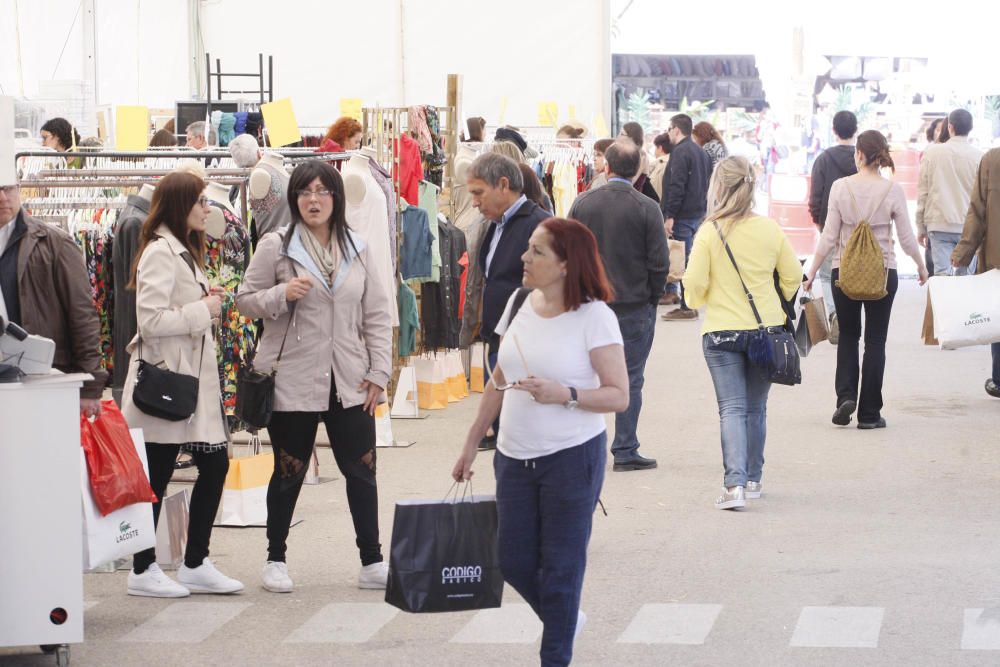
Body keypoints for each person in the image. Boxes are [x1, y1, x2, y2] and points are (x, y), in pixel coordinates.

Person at [452, 218, 628, 667]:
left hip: (571, 459)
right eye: (527, 249)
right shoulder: (517, 302)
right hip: (513, 456)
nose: (523, 259)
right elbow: (499, 375)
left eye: (537, 252)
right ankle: (565, 617)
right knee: (511, 561)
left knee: (562, 570)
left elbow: (619, 395)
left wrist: (566, 395)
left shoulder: (595, 317)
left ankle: (556, 653)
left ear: (567, 264)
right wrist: (474, 438)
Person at [236, 161, 393, 593]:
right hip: (292, 378)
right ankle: (275, 558)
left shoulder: (358, 248)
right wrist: (280, 295)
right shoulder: (275, 246)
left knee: (362, 471)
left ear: (337, 198)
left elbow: (377, 315)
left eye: (323, 191)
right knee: (288, 472)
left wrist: (380, 371)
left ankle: (372, 560)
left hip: (350, 379)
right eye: (305, 192)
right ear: (294, 199)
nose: (313, 199)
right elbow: (244, 301)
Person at [121, 172, 242, 597]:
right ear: (179, 205)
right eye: (201, 201)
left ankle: (195, 561)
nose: (207, 208)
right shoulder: (159, 252)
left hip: (189, 383)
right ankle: (143, 568)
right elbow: (150, 322)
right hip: (167, 383)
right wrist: (202, 309)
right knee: (157, 475)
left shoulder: (184, 251)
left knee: (215, 464)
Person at [683, 156, 801, 510]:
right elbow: (794, 276)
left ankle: (732, 487)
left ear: (718, 188)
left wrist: (702, 297)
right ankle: (752, 479)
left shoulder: (709, 231)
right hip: (765, 329)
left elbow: (694, 287)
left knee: (731, 409)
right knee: (756, 408)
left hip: (721, 332)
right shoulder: (769, 229)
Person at [804, 130, 928, 430]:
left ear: (859, 154)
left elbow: (829, 237)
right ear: (880, 155)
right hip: (884, 275)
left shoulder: (840, 187)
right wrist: (921, 266)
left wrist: (810, 272)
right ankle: (870, 414)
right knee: (875, 341)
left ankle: (845, 396)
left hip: (843, 273)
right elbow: (907, 238)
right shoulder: (893, 190)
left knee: (848, 335)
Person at [569, 139, 667, 472]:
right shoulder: (647, 208)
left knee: (582, 374)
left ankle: (577, 444)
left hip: (588, 304)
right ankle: (625, 448)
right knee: (631, 378)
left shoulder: (583, 204)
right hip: (633, 305)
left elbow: (567, 253)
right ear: (639, 169)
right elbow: (659, 262)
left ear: (606, 167)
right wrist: (652, 298)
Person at [0, 181, 106, 414]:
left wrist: (90, 386)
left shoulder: (54, 242)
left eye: (7, 188)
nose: (3, 197)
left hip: (43, 377)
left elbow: (82, 314)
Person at [468, 153, 550, 450]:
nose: (474, 202)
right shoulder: (495, 225)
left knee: (521, 418)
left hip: (525, 340)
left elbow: (550, 287)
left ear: (503, 185)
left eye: (479, 193)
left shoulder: (539, 225)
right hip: (498, 335)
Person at [952, 148, 1000, 397]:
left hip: (997, 257)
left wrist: (964, 252)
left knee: (999, 314)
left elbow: (978, 212)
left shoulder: (992, 160)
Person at [808, 110, 858, 345]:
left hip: (830, 225)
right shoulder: (863, 159)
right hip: (859, 230)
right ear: (855, 130)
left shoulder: (823, 159)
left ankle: (834, 313)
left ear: (834, 131)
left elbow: (816, 196)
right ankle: (851, 318)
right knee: (855, 273)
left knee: (828, 275)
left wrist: (819, 222)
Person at [916, 109, 983, 276]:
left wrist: (920, 226)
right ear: (970, 128)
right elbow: (983, 197)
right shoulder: (979, 156)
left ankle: (943, 303)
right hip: (969, 228)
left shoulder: (931, 153)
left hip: (939, 224)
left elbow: (923, 192)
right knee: (965, 279)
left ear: (950, 127)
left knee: (942, 276)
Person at [661, 113, 712, 321]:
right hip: (697, 213)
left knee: (682, 261)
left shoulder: (680, 152)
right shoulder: (701, 153)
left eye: (669, 129)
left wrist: (670, 214)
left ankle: (687, 305)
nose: (668, 133)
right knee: (690, 258)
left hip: (681, 215)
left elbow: (677, 184)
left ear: (676, 129)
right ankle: (687, 302)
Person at [620, 121, 658, 202]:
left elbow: (631, 181)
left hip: (633, 199)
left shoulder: (641, 155)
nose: (619, 137)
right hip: (628, 195)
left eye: (622, 134)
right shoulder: (627, 153)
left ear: (631, 137)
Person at [649, 132, 672, 201]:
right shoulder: (674, 163)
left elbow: (655, 192)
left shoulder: (660, 166)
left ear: (660, 148)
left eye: (656, 148)